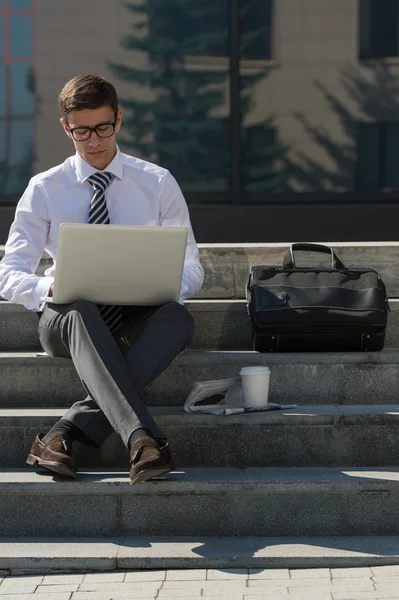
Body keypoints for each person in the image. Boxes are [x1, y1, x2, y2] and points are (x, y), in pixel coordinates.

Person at [0, 74, 204, 484]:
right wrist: (48, 288)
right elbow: (8, 274)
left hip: (135, 316)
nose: (94, 140)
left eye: (103, 128)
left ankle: (62, 434)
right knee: (77, 310)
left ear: (119, 120)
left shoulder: (158, 182)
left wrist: (163, 283)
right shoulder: (44, 188)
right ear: (65, 126)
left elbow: (192, 267)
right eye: (82, 131)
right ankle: (141, 438)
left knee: (178, 319)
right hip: (67, 321)